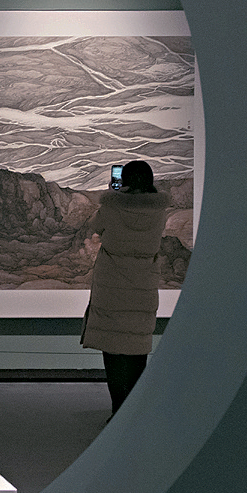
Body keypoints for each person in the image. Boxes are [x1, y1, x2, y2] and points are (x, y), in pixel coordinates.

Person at [81, 159, 170, 414]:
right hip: (143, 285)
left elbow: (95, 226)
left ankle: (117, 410)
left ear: (125, 180)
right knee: (137, 349)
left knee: (112, 350)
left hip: (112, 284)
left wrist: (114, 194)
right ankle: (132, 414)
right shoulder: (158, 210)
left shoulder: (112, 206)